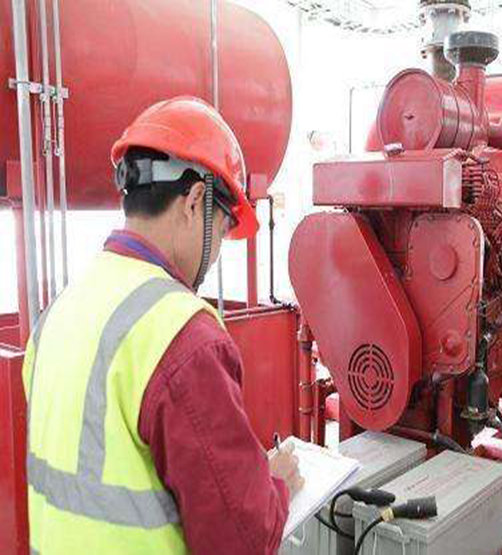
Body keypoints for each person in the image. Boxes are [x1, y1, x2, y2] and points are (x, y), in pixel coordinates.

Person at [23, 96, 302, 554]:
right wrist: (276, 486)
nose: (216, 253)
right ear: (195, 202)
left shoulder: (59, 312)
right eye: (223, 231)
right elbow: (240, 540)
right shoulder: (182, 336)